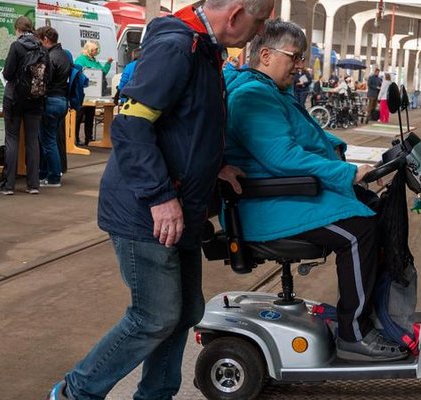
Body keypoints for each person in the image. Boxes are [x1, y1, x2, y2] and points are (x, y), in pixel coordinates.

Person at [48, 0, 272, 399]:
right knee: (154, 315)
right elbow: (131, 124)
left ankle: (155, 395)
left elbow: (186, 123)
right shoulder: (177, 47)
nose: (260, 30)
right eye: (260, 20)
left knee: (186, 311)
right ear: (237, 14)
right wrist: (159, 195)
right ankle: (75, 393)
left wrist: (213, 165)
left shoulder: (203, 50)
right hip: (147, 208)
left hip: (182, 202)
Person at [224, 19, 406, 361]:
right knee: (359, 231)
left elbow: (310, 137)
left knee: (374, 208)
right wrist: (348, 173)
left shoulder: (271, 91)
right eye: (294, 57)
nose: (300, 65)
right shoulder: (253, 96)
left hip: (286, 193)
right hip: (266, 202)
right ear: (265, 55)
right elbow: (283, 157)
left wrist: (342, 156)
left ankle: (372, 312)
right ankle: (354, 333)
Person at [0, 16, 44, 196]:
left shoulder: (16, 46)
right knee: (32, 140)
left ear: (17, 30)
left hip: (14, 98)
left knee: (12, 139)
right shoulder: (41, 47)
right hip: (35, 99)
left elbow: (7, 73)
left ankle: (8, 185)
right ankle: (33, 184)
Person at [35, 26, 71, 188]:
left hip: (51, 100)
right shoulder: (64, 54)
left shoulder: (50, 57)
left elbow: (45, 81)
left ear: (46, 40)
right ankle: (44, 174)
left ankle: (54, 177)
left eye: (39, 40)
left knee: (48, 141)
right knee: (50, 139)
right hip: (63, 100)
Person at [73, 41, 112, 146]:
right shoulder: (81, 60)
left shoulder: (94, 61)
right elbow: (77, 73)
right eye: (95, 49)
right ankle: (75, 138)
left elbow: (102, 72)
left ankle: (88, 138)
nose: (97, 51)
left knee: (90, 116)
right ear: (89, 49)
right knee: (79, 116)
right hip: (83, 92)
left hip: (93, 94)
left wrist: (108, 63)